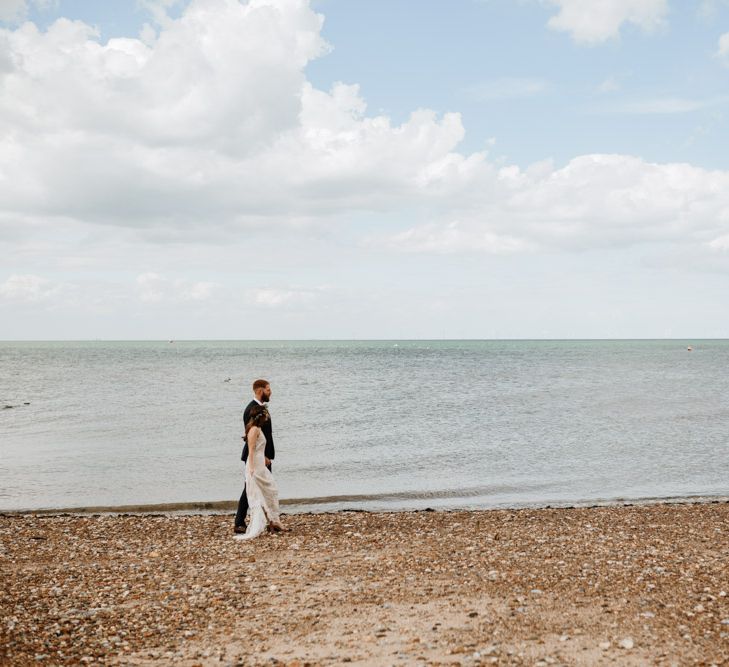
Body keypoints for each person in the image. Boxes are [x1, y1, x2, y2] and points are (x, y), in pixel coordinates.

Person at [234, 403, 284, 540]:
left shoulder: (258, 429)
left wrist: (265, 458)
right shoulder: (254, 430)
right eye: (266, 415)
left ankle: (274, 522)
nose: (268, 417)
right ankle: (269, 523)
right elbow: (251, 450)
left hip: (261, 464)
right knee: (260, 495)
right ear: (261, 416)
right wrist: (251, 468)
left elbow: (258, 449)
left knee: (270, 491)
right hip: (255, 466)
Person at [234, 379, 276, 533]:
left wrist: (269, 454)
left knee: (267, 488)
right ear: (260, 390)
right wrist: (263, 456)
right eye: (268, 389)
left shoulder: (261, 408)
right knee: (249, 489)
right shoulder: (250, 410)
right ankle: (239, 522)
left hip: (264, 455)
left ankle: (271, 520)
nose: (270, 392)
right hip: (257, 456)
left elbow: (267, 434)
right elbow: (252, 436)